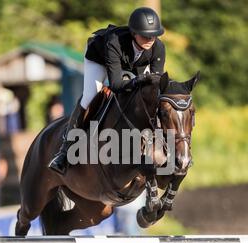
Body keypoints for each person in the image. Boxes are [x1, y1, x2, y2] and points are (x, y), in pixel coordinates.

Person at [48, 7, 166, 175]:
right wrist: (138, 80)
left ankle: (161, 148)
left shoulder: (158, 48)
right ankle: (65, 151)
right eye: (145, 35)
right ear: (133, 33)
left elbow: (156, 86)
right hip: (99, 59)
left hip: (133, 66)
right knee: (90, 95)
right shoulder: (114, 42)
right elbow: (116, 84)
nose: (150, 39)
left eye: (153, 35)